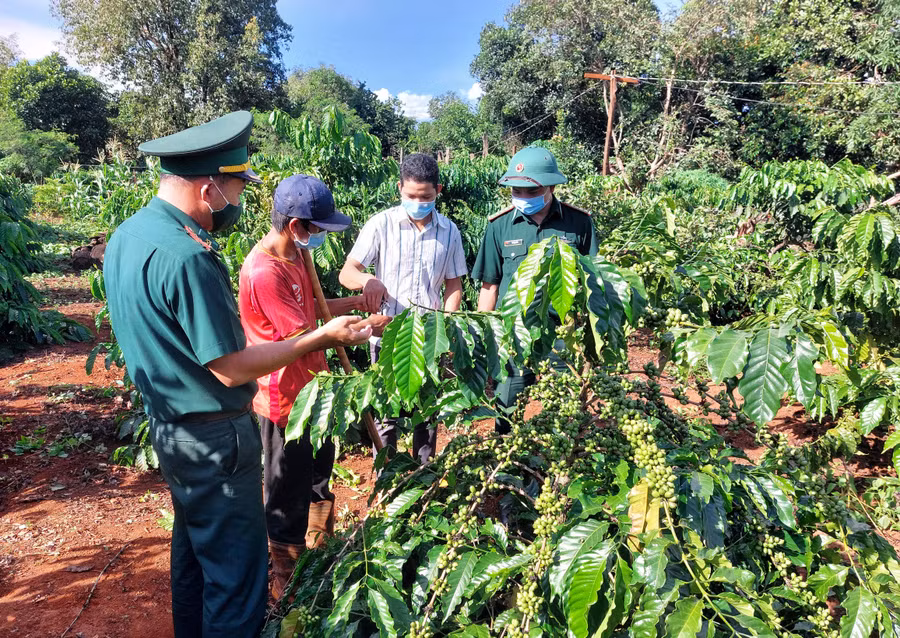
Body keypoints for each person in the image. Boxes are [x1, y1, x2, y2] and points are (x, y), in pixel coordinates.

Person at [103, 112, 372, 638]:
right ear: (209, 188)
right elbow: (229, 367)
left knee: (195, 561)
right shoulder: (190, 256)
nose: (239, 199)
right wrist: (323, 336)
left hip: (172, 431)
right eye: (236, 187)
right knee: (236, 577)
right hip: (215, 436)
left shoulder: (128, 237)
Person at [238, 174, 371, 598]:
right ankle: (286, 586)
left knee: (317, 479)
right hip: (285, 403)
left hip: (315, 393)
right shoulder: (264, 272)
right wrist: (348, 331)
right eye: (315, 229)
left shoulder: (297, 255)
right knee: (285, 496)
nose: (318, 237)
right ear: (296, 226)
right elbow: (305, 334)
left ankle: (317, 555)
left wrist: (353, 305)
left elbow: (312, 308)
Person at [339, 153, 467, 463]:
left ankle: (424, 478)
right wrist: (368, 280)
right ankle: (387, 479)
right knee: (386, 412)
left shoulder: (449, 231)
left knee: (428, 413)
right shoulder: (381, 224)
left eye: (426, 197)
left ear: (438, 190)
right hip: (386, 335)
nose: (418, 202)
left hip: (429, 337)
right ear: (399, 188)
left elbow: (454, 286)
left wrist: (445, 330)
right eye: (411, 195)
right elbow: (348, 272)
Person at [472, 146, 597, 433]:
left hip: (565, 334)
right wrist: (484, 336)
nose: (522, 198)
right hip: (514, 333)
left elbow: (593, 282)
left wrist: (591, 339)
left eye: (530, 191)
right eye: (516, 192)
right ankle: (507, 473)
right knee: (507, 409)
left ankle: (560, 472)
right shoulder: (500, 226)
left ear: (551, 186)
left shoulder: (579, 224)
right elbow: (489, 285)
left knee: (566, 413)